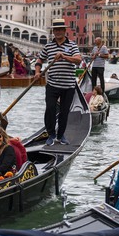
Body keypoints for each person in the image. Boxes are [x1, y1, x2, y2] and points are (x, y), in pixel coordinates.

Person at [34, 18, 82, 146]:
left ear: (64, 31)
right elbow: (39, 61)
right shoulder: (48, 46)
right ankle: (51, 134)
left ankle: (61, 136)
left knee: (64, 112)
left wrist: (64, 56)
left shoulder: (72, 45)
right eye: (56, 30)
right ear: (53, 31)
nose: (58, 32)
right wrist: (37, 72)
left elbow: (78, 60)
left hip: (69, 85)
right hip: (52, 84)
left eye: (60, 29)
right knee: (50, 108)